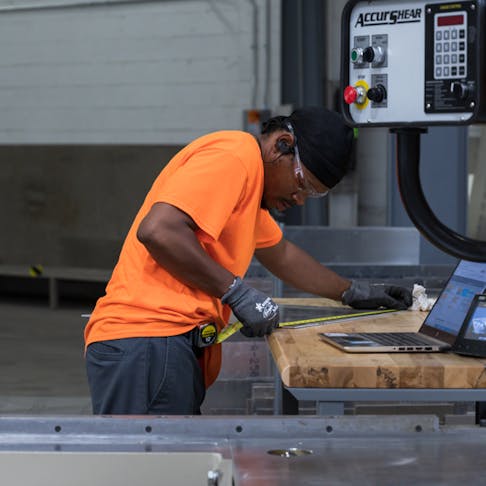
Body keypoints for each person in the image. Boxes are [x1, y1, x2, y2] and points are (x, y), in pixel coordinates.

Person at [84, 107, 412, 415]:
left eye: (312, 194)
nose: (299, 200)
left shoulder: (251, 189)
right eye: (302, 184)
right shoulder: (234, 156)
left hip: (160, 346)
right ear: (282, 145)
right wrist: (236, 293)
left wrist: (352, 291)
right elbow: (158, 231)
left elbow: (281, 255)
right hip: (147, 343)